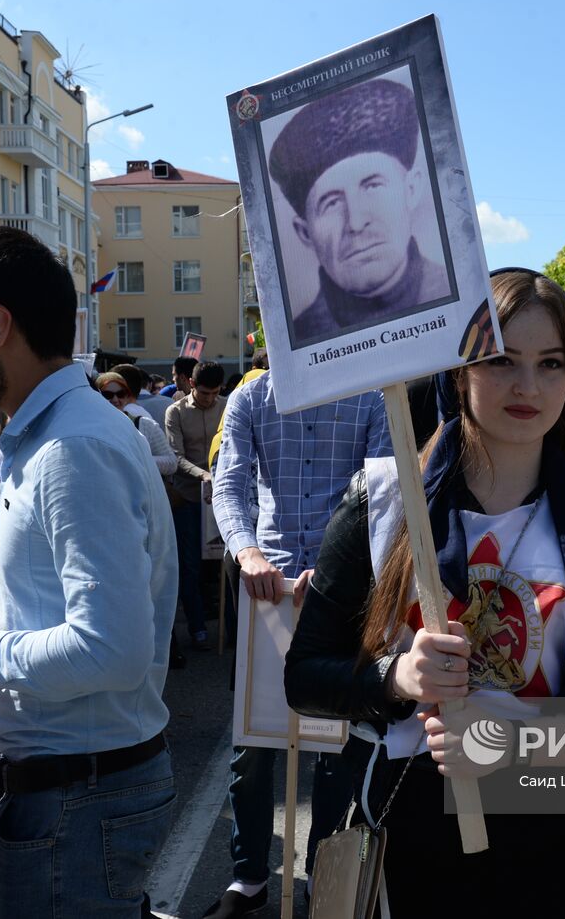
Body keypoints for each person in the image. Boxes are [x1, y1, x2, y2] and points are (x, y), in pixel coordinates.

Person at [285, 269, 565, 918]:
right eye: (501, 361)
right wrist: (398, 676)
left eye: (551, 364)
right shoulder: (381, 501)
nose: (527, 386)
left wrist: (518, 745)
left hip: (556, 838)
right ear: (459, 370)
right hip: (411, 834)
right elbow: (305, 677)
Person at [0, 226, 178, 918]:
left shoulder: (71, 449)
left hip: (79, 798)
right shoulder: (54, 436)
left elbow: (111, 650)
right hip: (76, 791)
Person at [209, 360, 389, 917]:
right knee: (252, 746)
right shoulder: (249, 398)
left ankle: (322, 875)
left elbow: (384, 494)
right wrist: (247, 551)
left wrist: (340, 564)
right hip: (267, 592)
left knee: (338, 744)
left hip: (344, 595)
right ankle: (250, 877)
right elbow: (230, 484)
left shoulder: (370, 396)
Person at [269, 78, 450, 342]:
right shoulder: (300, 339)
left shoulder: (459, 309)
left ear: (411, 189)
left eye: (373, 186)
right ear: (305, 232)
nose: (355, 222)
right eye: (330, 203)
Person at [166, 361, 228, 648]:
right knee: (189, 565)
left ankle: (231, 629)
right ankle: (198, 628)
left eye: (215, 393)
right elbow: (175, 458)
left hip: (224, 497)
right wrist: (205, 475)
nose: (210, 399)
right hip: (190, 497)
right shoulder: (175, 412)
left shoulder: (227, 406)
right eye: (205, 393)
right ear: (191, 385)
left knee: (227, 565)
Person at [96, 370, 177, 477]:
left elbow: (171, 463)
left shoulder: (145, 424)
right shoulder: (91, 429)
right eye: (108, 395)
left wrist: (138, 460)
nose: (115, 399)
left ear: (127, 395)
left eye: (121, 394)